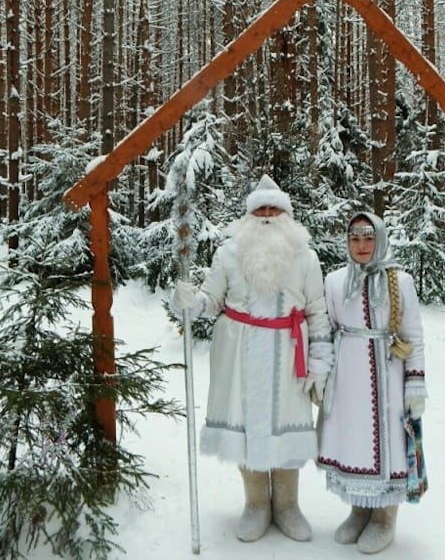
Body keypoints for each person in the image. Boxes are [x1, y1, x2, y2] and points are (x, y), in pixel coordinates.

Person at [171, 174, 334, 543]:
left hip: (288, 354)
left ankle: (288, 505)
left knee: (287, 424)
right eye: (260, 209)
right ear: (248, 214)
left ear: (286, 215)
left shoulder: (306, 257)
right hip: (239, 355)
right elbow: (211, 300)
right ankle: (257, 504)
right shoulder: (228, 253)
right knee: (244, 422)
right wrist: (188, 302)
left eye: (274, 208)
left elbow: (317, 311)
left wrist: (319, 363)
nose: (267, 215)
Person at [308, 211, 427, 554]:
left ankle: (384, 517)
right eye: (354, 238)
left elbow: (414, 336)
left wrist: (415, 384)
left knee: (387, 443)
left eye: (368, 238)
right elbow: (326, 330)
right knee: (352, 440)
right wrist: (321, 374)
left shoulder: (400, 281)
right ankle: (359, 509)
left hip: (388, 377)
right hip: (348, 376)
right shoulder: (334, 281)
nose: (361, 246)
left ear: (381, 239)